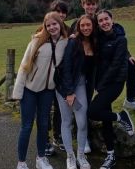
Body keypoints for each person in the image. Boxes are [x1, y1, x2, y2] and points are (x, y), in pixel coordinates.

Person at [70, 0, 135, 112]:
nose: (90, 7)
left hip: (100, 59)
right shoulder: (77, 23)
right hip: (84, 62)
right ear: (83, 4)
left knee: (132, 64)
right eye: (88, 4)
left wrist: (127, 55)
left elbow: (114, 37)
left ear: (97, 5)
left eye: (93, 4)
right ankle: (80, 119)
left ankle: (131, 100)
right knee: (83, 92)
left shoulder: (101, 20)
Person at [12, 12, 69, 169]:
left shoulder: (65, 42)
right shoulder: (37, 41)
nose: (52, 27)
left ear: (60, 24)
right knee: (27, 126)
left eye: (54, 24)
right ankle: (21, 163)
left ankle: (41, 158)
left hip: (47, 90)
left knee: (44, 125)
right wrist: (18, 92)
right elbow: (24, 66)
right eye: (48, 25)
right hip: (29, 90)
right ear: (45, 27)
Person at [88, 9, 135, 169]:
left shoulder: (121, 40)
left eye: (106, 19)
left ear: (112, 20)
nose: (104, 23)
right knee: (105, 119)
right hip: (101, 82)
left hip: (114, 83)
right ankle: (111, 155)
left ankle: (121, 116)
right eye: (100, 21)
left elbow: (115, 65)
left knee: (92, 111)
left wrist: (100, 86)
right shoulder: (99, 38)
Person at [55, 14, 96, 169]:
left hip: (80, 85)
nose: (86, 28)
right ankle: (70, 157)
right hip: (64, 86)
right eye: (82, 25)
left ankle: (81, 155)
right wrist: (69, 92)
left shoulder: (94, 42)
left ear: (93, 26)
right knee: (66, 121)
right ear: (78, 27)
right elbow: (65, 68)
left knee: (82, 122)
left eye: (88, 25)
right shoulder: (73, 42)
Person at [45, 0, 69, 155]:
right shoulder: (43, 30)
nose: (60, 15)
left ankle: (58, 137)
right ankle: (45, 140)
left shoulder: (68, 31)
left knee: (60, 109)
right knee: (45, 109)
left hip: (60, 78)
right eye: (57, 11)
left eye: (63, 12)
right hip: (45, 78)